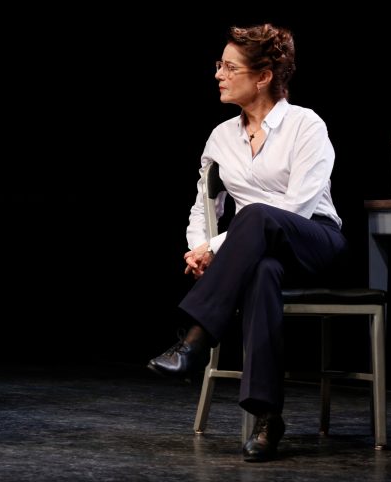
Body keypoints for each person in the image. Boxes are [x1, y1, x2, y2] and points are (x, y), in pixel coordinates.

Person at [146, 23, 346, 462]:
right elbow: (204, 205)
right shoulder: (221, 136)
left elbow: (297, 208)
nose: (218, 74)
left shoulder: (305, 125)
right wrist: (198, 246)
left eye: (230, 66)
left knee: (255, 215)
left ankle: (195, 340)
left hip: (314, 242)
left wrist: (217, 249)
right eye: (219, 64)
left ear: (263, 76)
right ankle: (267, 417)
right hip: (256, 256)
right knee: (261, 273)